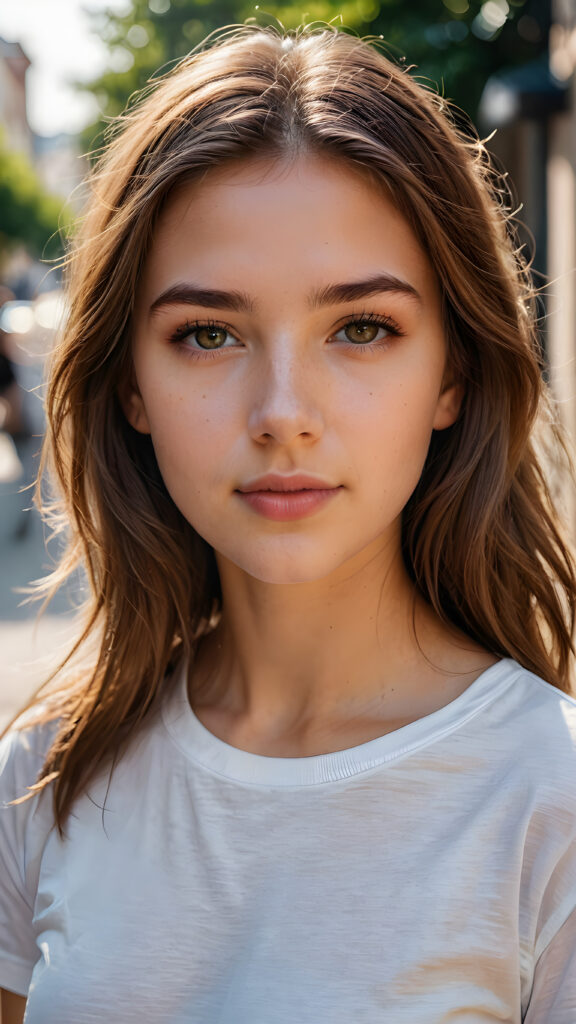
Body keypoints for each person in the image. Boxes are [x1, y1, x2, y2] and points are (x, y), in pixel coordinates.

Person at [1, 25, 575, 1024]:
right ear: (130, 384)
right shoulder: (42, 778)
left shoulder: (549, 804)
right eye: (207, 334)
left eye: (362, 328)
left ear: (452, 373)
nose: (281, 412)